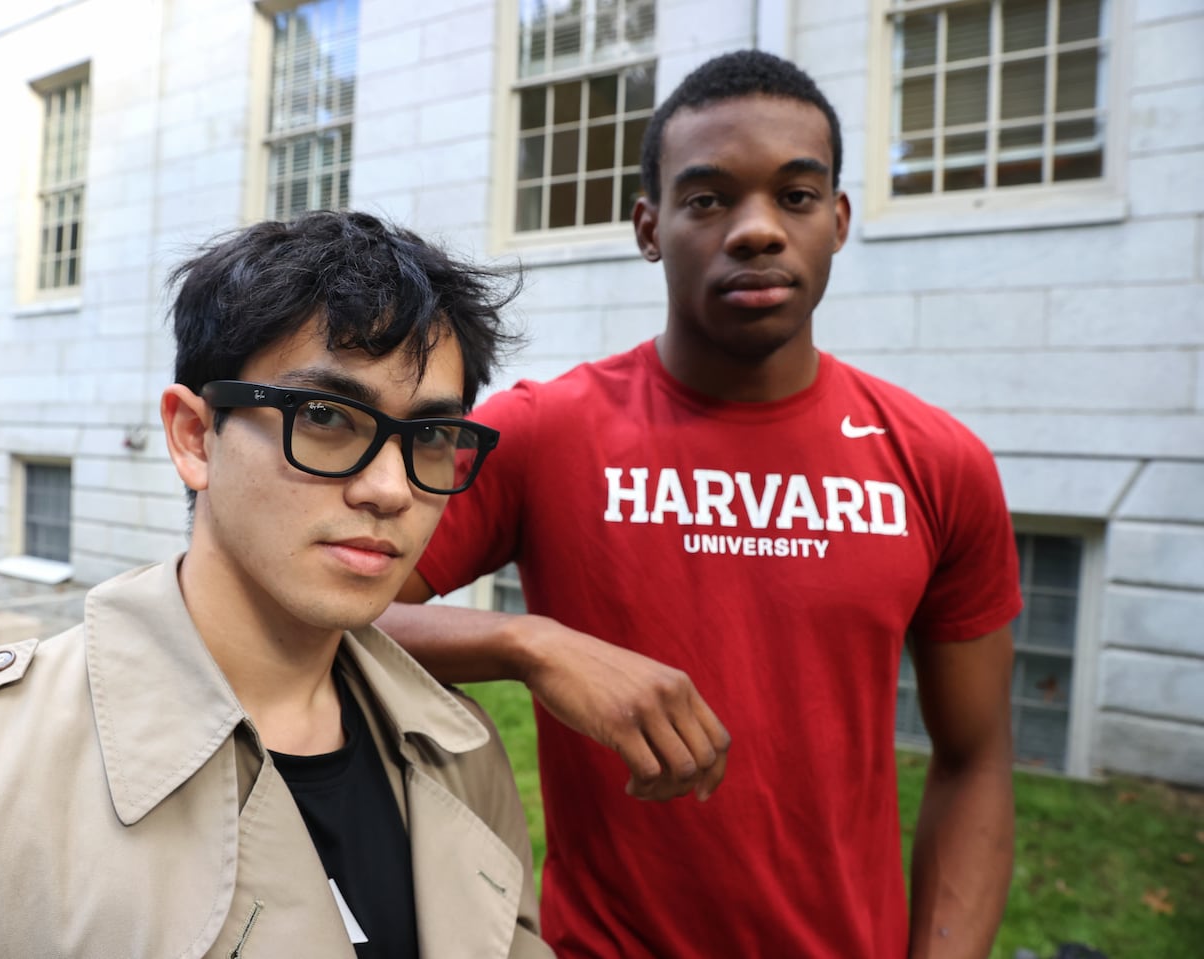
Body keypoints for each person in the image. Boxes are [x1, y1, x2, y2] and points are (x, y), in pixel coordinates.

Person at [0, 211, 553, 958]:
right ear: (193, 436)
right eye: (325, 414)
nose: (390, 487)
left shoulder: (462, 754)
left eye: (432, 435)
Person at [380, 50, 1020, 958]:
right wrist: (531, 643)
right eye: (709, 198)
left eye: (796, 196)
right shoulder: (544, 433)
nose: (757, 230)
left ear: (838, 221)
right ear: (650, 226)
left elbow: (977, 758)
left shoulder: (937, 462)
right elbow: (329, 613)